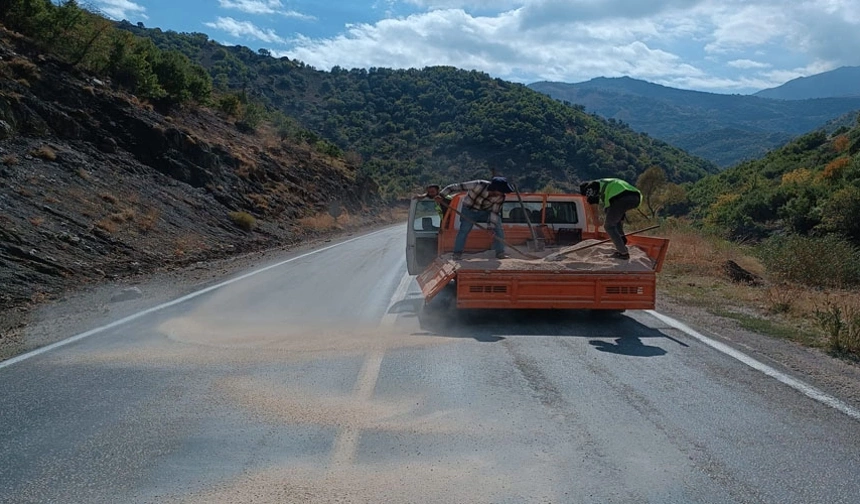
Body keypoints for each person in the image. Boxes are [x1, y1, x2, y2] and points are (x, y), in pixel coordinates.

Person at [437, 177, 514, 260]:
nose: (502, 193)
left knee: (498, 228)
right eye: (501, 191)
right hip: (468, 210)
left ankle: (500, 253)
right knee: (464, 230)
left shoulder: (501, 197)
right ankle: (457, 253)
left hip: (486, 212)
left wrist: (491, 227)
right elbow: (453, 187)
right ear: (495, 188)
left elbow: (494, 213)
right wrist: (441, 195)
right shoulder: (478, 185)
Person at [580, 178, 642, 260]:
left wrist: (595, 218)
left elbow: (593, 201)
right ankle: (622, 242)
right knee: (615, 221)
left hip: (620, 197)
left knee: (608, 226)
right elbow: (617, 214)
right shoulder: (606, 185)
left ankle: (623, 253)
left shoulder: (590, 186)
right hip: (635, 197)